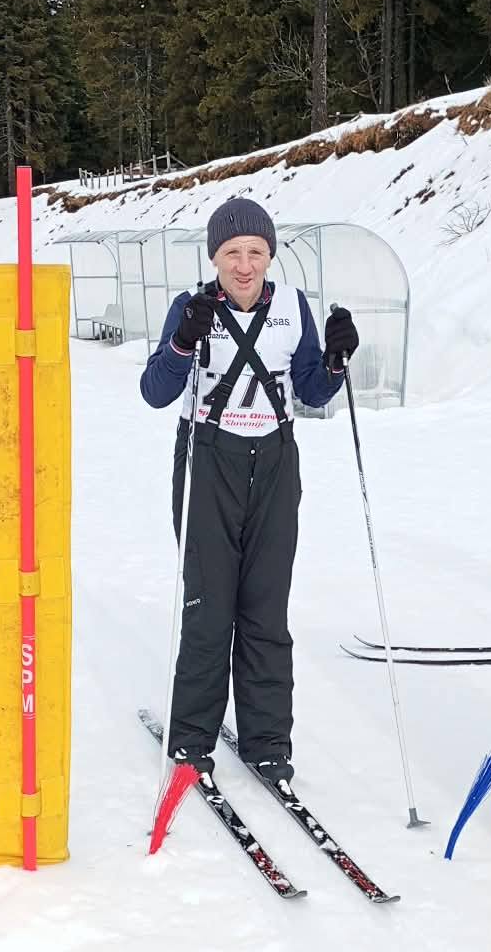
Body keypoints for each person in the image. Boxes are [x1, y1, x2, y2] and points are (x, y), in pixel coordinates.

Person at [139, 196, 358, 783]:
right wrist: (183, 343)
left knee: (265, 605)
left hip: (276, 460)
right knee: (209, 605)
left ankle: (267, 741)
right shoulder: (192, 307)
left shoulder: (292, 306)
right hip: (210, 457)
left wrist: (335, 359)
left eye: (256, 252)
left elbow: (312, 390)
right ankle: (191, 739)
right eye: (232, 252)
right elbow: (156, 391)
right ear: (215, 257)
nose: (244, 264)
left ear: (269, 255)